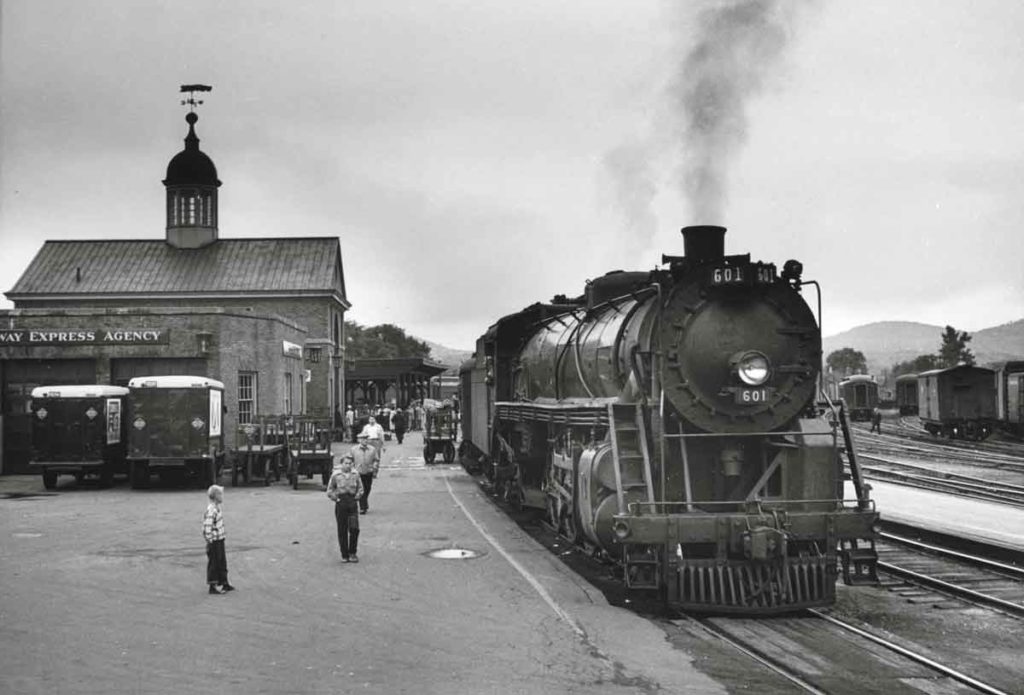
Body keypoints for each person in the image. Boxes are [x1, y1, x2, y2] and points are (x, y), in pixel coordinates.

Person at [326, 455, 364, 562]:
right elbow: (329, 490)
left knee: (354, 528)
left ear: (352, 464)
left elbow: (360, 488)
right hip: (341, 502)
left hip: (352, 502)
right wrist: (336, 499)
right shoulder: (336, 475)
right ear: (341, 464)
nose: (348, 465)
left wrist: (357, 497)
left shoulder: (355, 474)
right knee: (342, 529)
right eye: (346, 463)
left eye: (350, 463)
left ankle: (352, 552)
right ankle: (344, 554)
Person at [202, 484, 234, 594]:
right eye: (221, 494)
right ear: (216, 496)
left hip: (220, 539)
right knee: (214, 563)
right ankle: (213, 585)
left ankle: (224, 582)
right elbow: (207, 526)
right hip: (214, 541)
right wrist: (209, 539)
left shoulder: (217, 508)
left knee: (222, 561)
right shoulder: (212, 510)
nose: (222, 497)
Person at [350, 432, 380, 514]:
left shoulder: (372, 449)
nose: (365, 440)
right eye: (363, 439)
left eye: (366, 439)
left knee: (367, 488)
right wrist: (352, 470)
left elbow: (376, 460)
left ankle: (364, 503)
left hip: (368, 472)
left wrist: (374, 468)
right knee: (361, 489)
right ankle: (363, 507)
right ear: (359, 440)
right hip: (358, 473)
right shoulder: (354, 449)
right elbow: (350, 460)